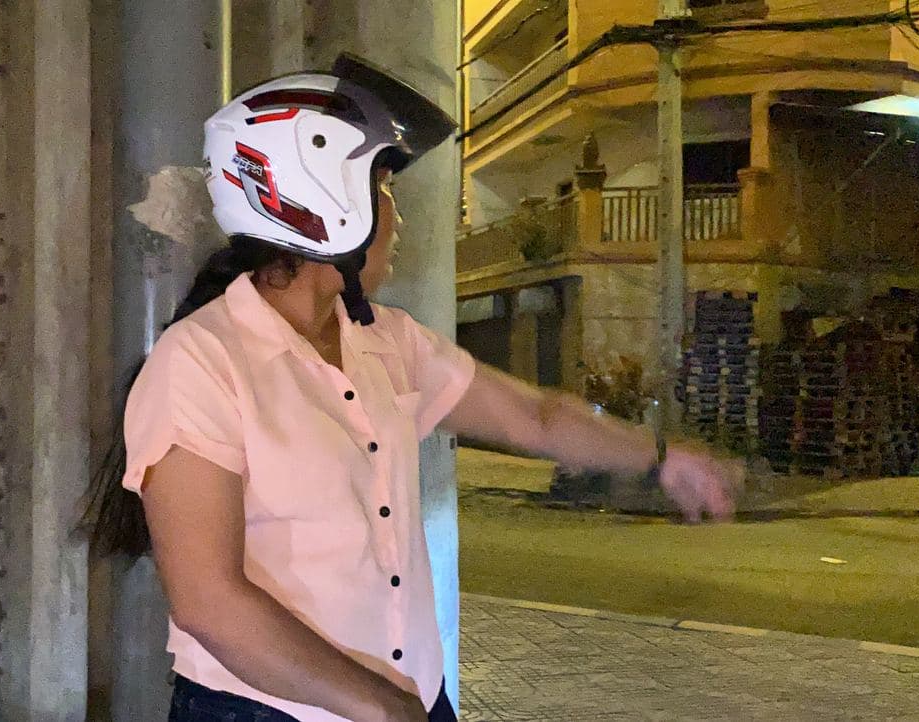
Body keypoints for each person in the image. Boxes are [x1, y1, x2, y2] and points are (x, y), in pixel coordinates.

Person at [87, 54, 742, 722]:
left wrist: (661, 458)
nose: (396, 217)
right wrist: (380, 706)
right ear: (320, 201)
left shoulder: (389, 342)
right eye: (381, 187)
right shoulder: (200, 362)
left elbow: (534, 417)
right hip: (270, 711)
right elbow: (209, 602)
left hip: (410, 699)